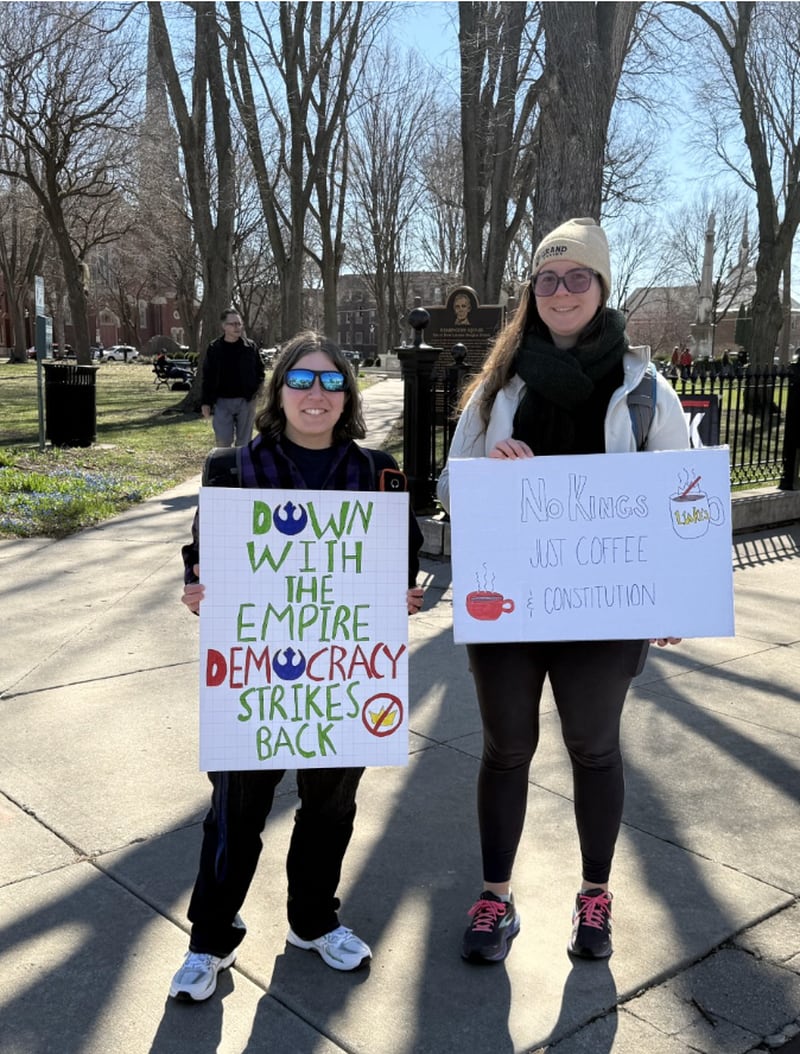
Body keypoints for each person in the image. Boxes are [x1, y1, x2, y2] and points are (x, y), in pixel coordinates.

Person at [437, 217, 689, 966]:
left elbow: (681, 492)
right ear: (532, 293)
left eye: (578, 276)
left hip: (605, 608)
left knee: (594, 747)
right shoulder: (498, 383)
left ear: (602, 286)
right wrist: (491, 474)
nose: (562, 290)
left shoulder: (643, 388)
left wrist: (677, 594)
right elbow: (451, 484)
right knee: (507, 747)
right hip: (508, 602)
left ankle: (594, 896)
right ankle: (495, 897)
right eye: (548, 278)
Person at [171, 331, 424, 1002]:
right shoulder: (231, 471)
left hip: (345, 674)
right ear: (277, 392)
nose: (318, 394)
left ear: (349, 396)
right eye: (302, 381)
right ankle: (210, 937)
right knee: (236, 810)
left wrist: (405, 592)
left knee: (329, 806)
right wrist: (196, 588)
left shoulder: (379, 473)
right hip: (256, 676)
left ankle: (314, 920)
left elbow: (402, 560)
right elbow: (202, 556)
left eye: (333, 382)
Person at [200, 309, 265, 447]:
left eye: (239, 324)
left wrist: (256, 391)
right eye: (233, 324)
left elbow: (260, 370)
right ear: (224, 326)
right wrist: (206, 402)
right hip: (222, 402)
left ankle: (242, 468)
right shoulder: (214, 348)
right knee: (223, 441)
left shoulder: (250, 347)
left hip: (246, 401)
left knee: (244, 443)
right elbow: (208, 376)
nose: (237, 327)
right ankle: (225, 467)